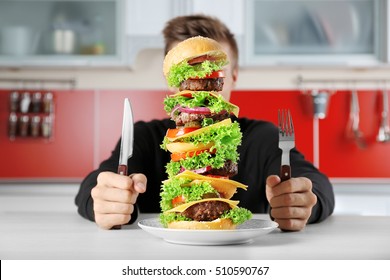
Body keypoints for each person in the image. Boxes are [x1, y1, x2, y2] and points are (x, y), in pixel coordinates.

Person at [75, 14, 334, 231]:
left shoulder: (263, 137)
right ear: (173, 81)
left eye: (213, 72)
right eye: (189, 72)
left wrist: (303, 203)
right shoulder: (143, 136)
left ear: (232, 76)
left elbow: (317, 185)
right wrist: (104, 200)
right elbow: (93, 185)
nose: (203, 86)